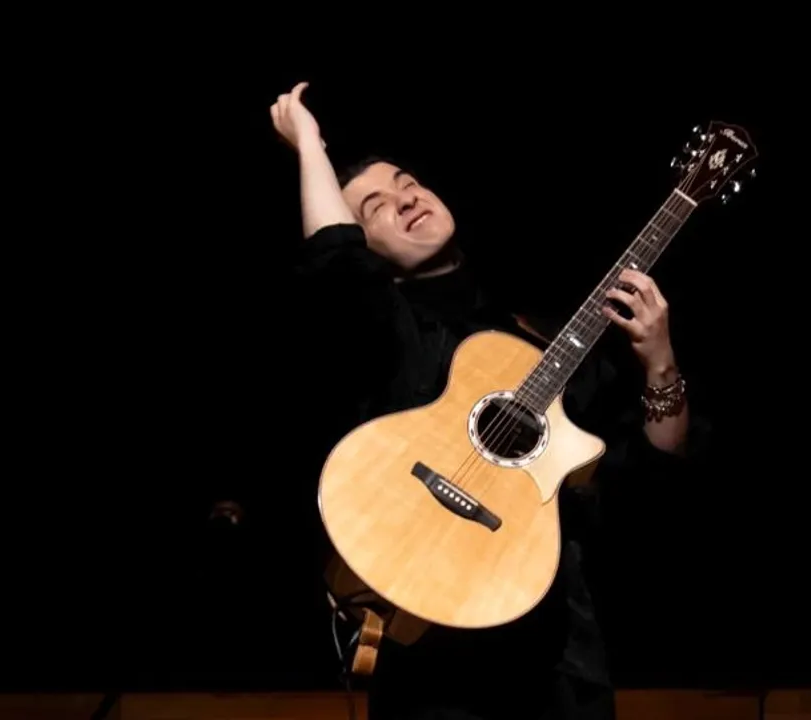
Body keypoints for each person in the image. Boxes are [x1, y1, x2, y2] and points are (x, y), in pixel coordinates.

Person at [271, 81, 696, 720]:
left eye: (408, 182)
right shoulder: (385, 332)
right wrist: (309, 144)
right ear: (365, 244)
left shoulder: (542, 340)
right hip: (434, 660)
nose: (405, 198)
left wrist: (660, 358)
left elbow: (653, 469)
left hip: (557, 653)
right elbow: (335, 263)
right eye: (374, 207)